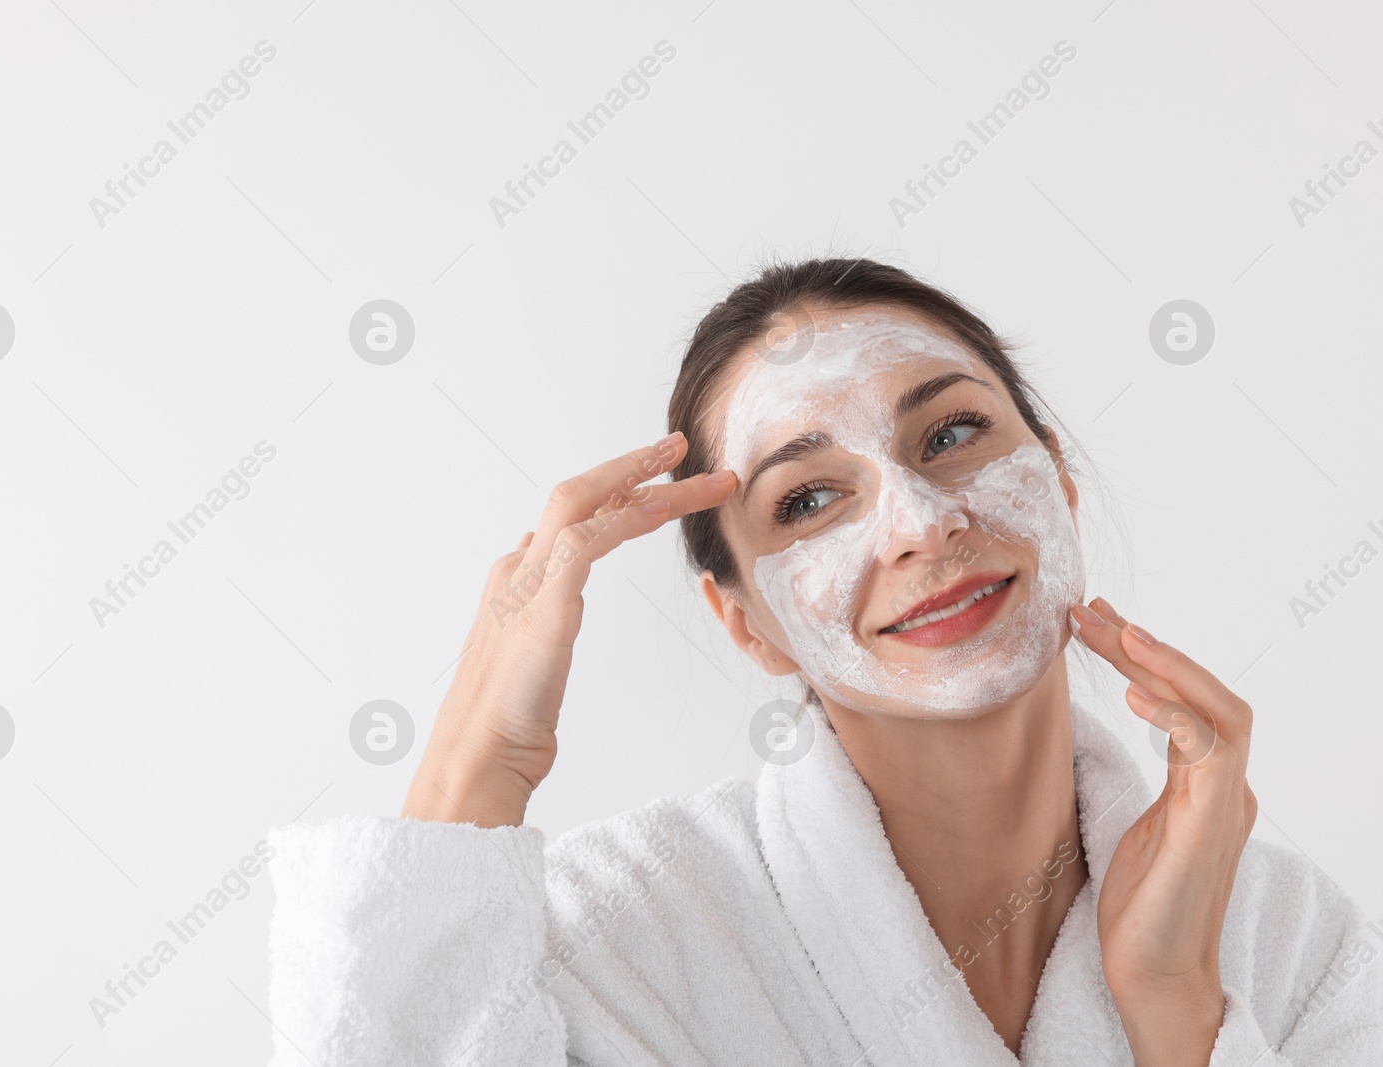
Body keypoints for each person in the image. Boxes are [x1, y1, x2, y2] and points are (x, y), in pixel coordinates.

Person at [264, 258, 1383, 1066]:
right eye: (807, 499)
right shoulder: (605, 942)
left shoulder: (1283, 937)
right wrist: (484, 760)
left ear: (1061, 488)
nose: (918, 522)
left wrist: (1173, 1011)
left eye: (949, 434)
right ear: (744, 620)